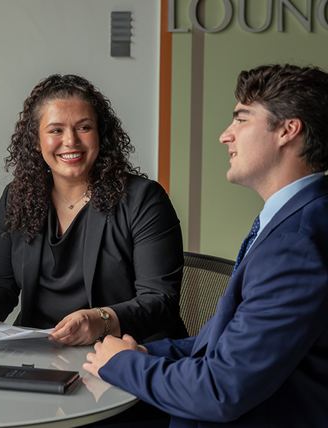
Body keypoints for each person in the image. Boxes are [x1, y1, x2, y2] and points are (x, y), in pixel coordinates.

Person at [83, 64, 328, 427]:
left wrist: (124, 363)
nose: (225, 136)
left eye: (241, 120)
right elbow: (223, 342)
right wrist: (145, 350)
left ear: (288, 130)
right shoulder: (294, 220)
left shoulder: (295, 245)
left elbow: (221, 390)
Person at [0, 74, 186, 345]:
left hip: (126, 354)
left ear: (101, 133)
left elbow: (160, 302)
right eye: (55, 130)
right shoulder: (17, 198)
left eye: (84, 127)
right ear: (36, 140)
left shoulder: (144, 199)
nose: (71, 141)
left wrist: (101, 320)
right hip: (40, 352)